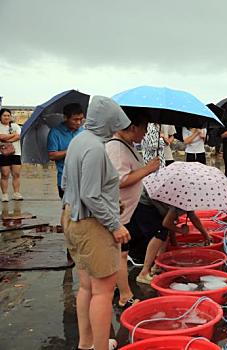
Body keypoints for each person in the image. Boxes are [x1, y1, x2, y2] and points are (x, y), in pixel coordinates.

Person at [61, 96, 131, 350]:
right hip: (92, 226)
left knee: (87, 288)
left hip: (73, 218)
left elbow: (69, 185)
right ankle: (101, 346)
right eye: (115, 123)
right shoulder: (95, 149)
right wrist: (114, 223)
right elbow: (89, 194)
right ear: (108, 122)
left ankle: (86, 343)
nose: (116, 129)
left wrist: (112, 204)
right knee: (103, 292)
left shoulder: (79, 140)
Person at [105, 114, 160, 308]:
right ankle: (124, 296)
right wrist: (148, 169)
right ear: (133, 127)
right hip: (117, 212)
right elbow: (120, 180)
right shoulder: (116, 148)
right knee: (119, 255)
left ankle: (115, 291)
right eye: (144, 128)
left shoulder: (126, 144)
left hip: (126, 210)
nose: (146, 133)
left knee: (120, 253)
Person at [134, 189, 212, 284]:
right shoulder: (181, 200)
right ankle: (144, 273)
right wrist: (181, 231)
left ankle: (157, 266)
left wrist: (205, 234)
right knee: (159, 233)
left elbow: (192, 217)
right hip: (144, 205)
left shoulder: (187, 198)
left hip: (155, 204)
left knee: (164, 232)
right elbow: (167, 223)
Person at [47, 103, 85, 198]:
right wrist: (71, 150)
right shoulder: (55, 133)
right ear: (65, 118)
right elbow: (52, 155)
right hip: (65, 180)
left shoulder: (83, 131)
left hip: (83, 179)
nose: (79, 123)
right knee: (68, 210)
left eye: (81, 119)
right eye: (75, 120)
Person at [0, 108, 23, 202]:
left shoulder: (15, 126)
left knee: (16, 174)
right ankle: (4, 194)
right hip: (2, 153)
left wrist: (6, 139)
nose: (6, 117)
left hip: (16, 152)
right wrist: (11, 136)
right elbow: (0, 136)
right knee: (5, 174)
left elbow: (18, 136)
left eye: (8, 115)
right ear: (0, 116)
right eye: (4, 115)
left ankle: (16, 193)